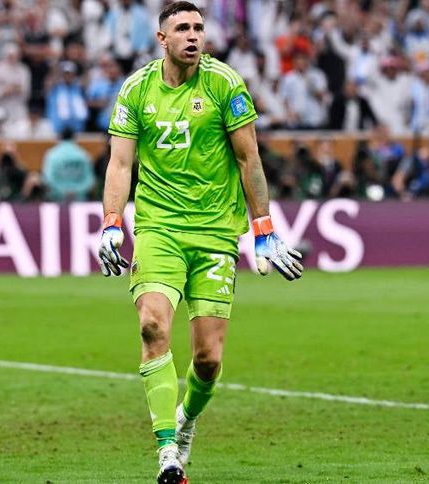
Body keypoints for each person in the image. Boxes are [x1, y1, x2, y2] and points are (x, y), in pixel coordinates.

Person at [96, 3, 302, 482]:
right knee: (152, 326)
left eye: (198, 28)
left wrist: (263, 227)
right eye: (182, 28)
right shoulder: (136, 90)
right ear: (161, 39)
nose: (193, 36)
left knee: (207, 359)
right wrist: (111, 221)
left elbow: (249, 159)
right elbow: (120, 164)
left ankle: (187, 419)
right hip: (159, 229)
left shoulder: (224, 84)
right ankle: (167, 450)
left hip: (215, 233)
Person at [42, 128, 95, 202]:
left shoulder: (51, 154)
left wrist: (62, 191)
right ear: (74, 137)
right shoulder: (84, 154)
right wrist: (77, 191)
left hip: (57, 200)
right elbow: (89, 180)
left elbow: (48, 179)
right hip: (80, 200)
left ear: (59, 137)